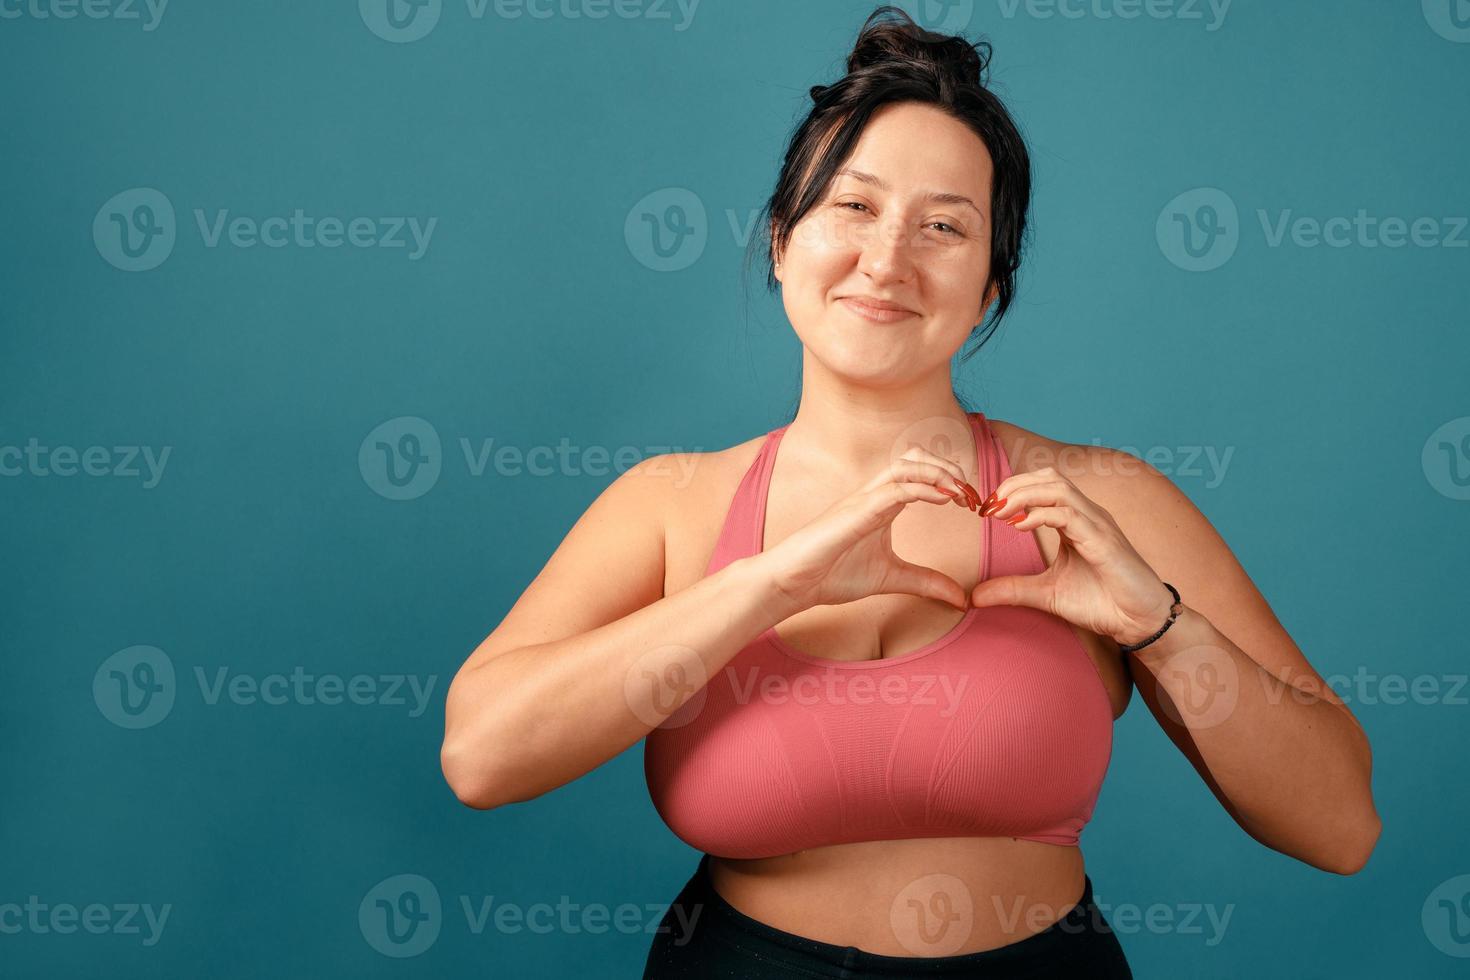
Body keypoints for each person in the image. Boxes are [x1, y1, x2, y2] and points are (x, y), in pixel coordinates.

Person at [441, 7, 1381, 977]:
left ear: (989, 289)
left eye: (944, 225)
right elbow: (482, 755)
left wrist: (1164, 629)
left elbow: (1341, 827)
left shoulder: (1101, 503)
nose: (887, 259)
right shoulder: (670, 503)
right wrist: (772, 583)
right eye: (852, 207)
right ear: (780, 239)